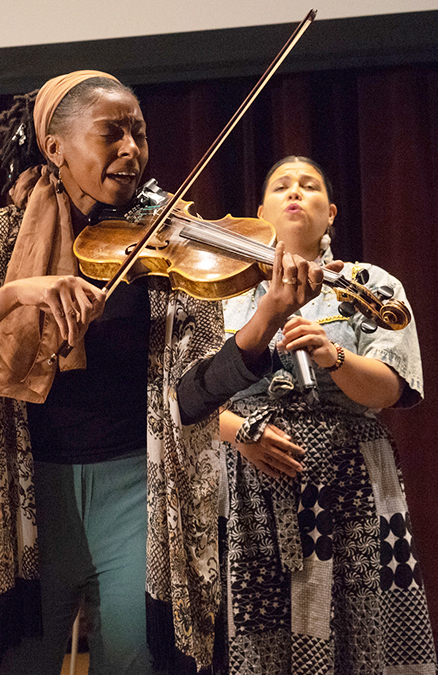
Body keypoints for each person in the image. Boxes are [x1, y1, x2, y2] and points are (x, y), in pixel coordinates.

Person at [0, 71, 332, 675]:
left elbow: (196, 392)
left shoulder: (167, 244)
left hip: (138, 490)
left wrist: (267, 320)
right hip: (29, 494)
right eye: (112, 134)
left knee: (135, 661)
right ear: (56, 147)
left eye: (140, 134)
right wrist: (12, 297)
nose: (131, 149)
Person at [219, 156, 436, 673]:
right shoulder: (219, 291)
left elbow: (390, 389)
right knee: (257, 641)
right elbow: (183, 395)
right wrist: (242, 432)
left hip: (352, 481)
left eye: (310, 186)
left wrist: (332, 355)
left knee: (360, 635)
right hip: (249, 480)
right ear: (259, 211)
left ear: (331, 211)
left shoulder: (370, 283)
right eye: (282, 186)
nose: (296, 192)